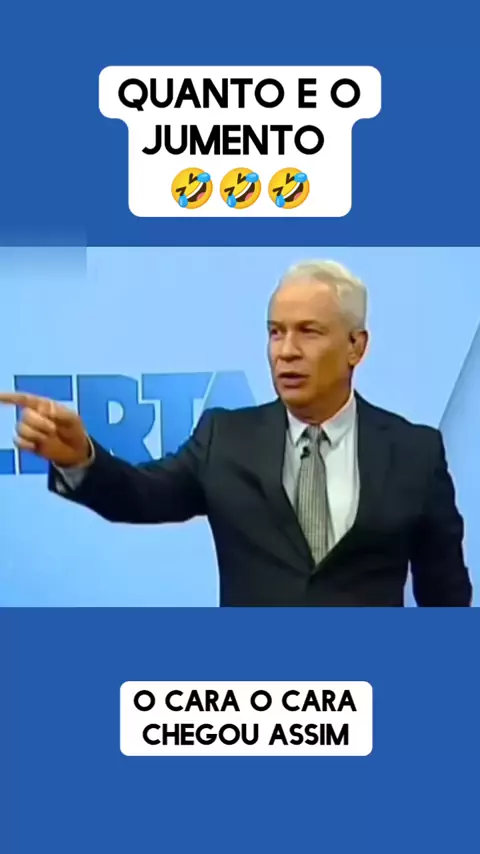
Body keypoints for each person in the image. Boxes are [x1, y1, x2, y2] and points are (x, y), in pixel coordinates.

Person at [0, 260, 472, 607]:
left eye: (308, 332)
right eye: (275, 332)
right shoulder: (224, 438)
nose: (286, 351)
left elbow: (445, 596)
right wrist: (79, 457)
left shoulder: (415, 451)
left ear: (356, 346)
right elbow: (140, 496)